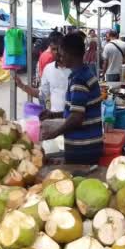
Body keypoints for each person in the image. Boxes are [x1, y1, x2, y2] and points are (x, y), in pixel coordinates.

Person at [41, 33, 103, 164]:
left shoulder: (79, 80)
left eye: (62, 54)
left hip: (83, 146)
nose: (60, 57)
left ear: (70, 54)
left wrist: (54, 133)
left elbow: (77, 118)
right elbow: (76, 111)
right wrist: (52, 115)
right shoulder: (83, 74)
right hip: (86, 144)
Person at [15, 41, 71, 115]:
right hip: (55, 117)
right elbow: (41, 94)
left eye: (60, 49)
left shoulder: (75, 69)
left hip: (72, 118)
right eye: (54, 49)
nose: (57, 52)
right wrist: (22, 86)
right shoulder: (48, 68)